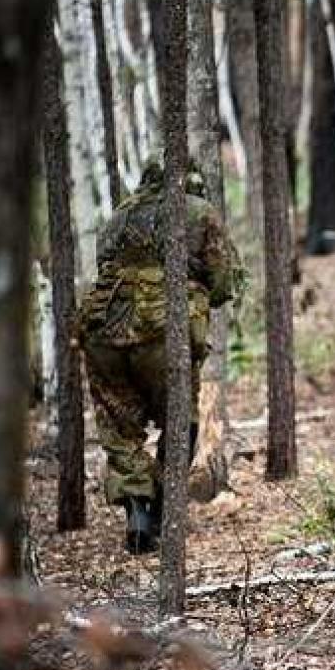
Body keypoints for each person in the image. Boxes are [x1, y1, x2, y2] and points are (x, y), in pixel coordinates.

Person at [79, 157, 241, 554]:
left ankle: (136, 507)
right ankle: (161, 511)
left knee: (119, 429)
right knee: (181, 421)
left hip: (105, 336)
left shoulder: (117, 218)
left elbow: (105, 270)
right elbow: (223, 283)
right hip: (161, 335)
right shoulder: (198, 211)